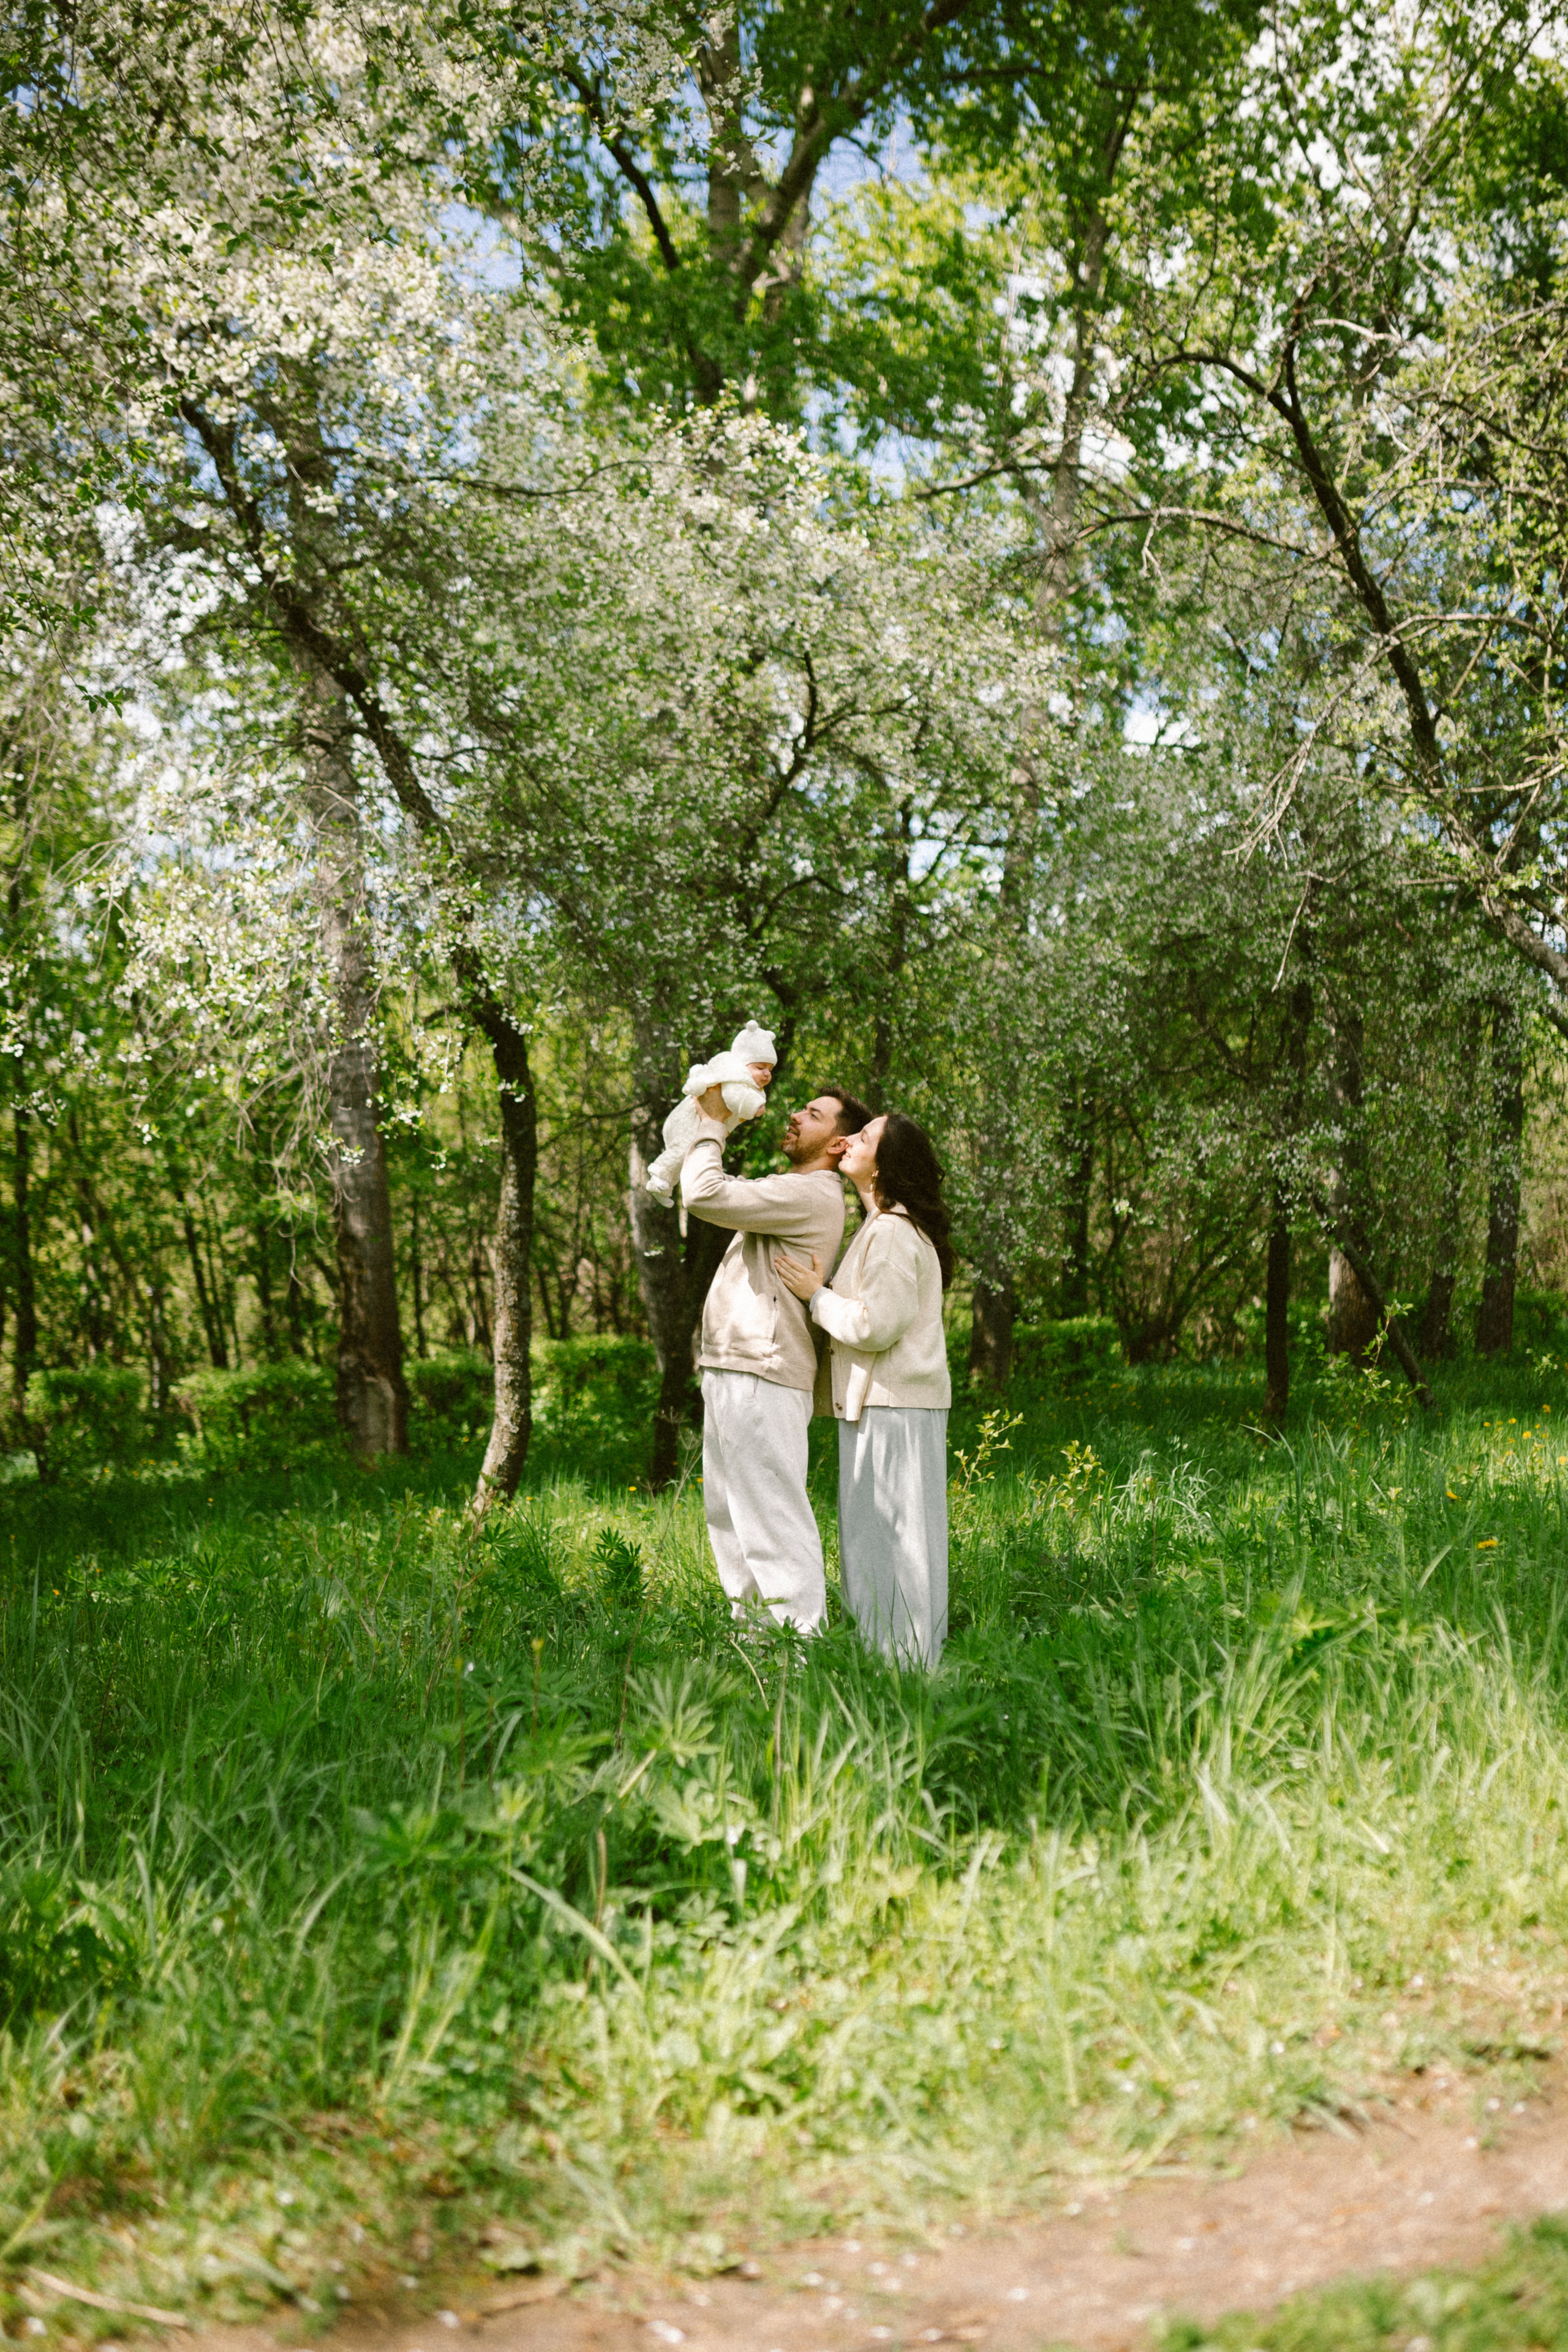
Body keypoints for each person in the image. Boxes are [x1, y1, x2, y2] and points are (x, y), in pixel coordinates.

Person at [680, 1082, 872, 1633]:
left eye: (812, 1115)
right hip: (734, 1368)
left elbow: (705, 1194)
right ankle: (757, 1644)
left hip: (762, 1373)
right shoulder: (791, 1188)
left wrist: (715, 1123)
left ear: (837, 1145)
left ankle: (800, 1646)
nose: (794, 1116)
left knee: (770, 1517)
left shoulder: (813, 1194)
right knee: (731, 1518)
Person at [775, 1112, 953, 1668]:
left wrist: (815, 1296)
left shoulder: (896, 1232)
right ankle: (893, 1667)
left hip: (894, 1406)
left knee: (897, 1545)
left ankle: (908, 1670)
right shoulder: (883, 1226)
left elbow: (877, 1325)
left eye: (867, 1138)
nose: (850, 1141)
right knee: (881, 1544)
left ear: (887, 1164)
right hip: (884, 1405)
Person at [642, 1019, 777, 1206]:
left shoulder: (745, 1080)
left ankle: (665, 1184)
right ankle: (659, 1180)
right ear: (743, 1064)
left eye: (770, 1069)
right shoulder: (736, 1078)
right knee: (684, 1147)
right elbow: (734, 1096)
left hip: (702, 1119)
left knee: (690, 1153)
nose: (767, 1074)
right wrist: (755, 1107)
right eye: (760, 1068)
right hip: (692, 1118)